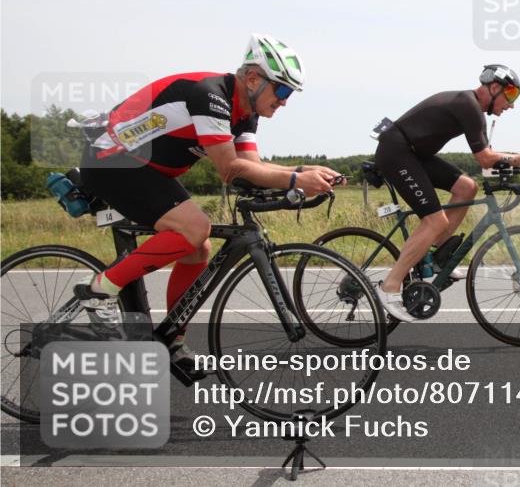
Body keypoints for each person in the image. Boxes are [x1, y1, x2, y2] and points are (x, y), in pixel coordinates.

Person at [73, 34, 341, 369]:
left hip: (148, 170)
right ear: (253, 79)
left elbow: (252, 167)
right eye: (283, 91)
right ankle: (100, 289)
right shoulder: (210, 96)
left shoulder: (246, 112)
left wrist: (305, 172)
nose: (284, 102)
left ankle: (171, 340)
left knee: (198, 249)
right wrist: (296, 179)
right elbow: (230, 169)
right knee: (195, 228)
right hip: (111, 162)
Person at [373, 64, 520, 322]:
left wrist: (518, 165)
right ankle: (390, 286)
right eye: (511, 95)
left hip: (413, 154)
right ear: (494, 87)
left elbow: (489, 160)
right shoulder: (468, 105)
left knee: (467, 187)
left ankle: (435, 258)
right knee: (435, 221)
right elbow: (485, 158)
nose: (511, 105)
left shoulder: (473, 109)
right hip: (397, 152)